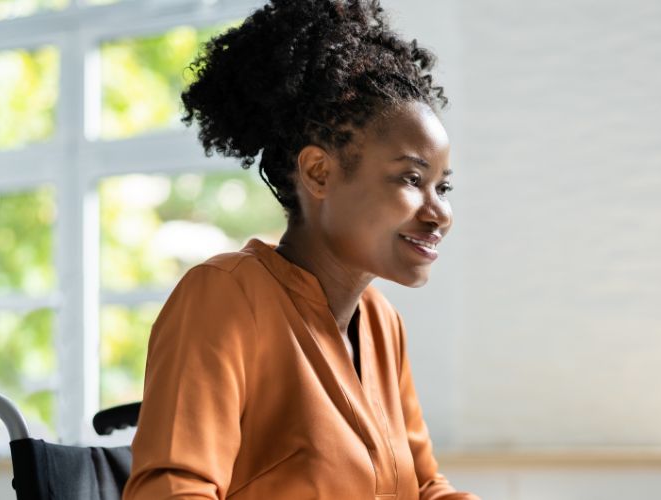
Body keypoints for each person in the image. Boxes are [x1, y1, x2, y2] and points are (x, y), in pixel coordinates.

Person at [122, 1, 478, 498]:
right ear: (319, 173)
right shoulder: (225, 297)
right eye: (412, 179)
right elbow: (172, 489)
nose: (438, 211)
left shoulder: (382, 324)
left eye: (443, 187)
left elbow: (422, 486)